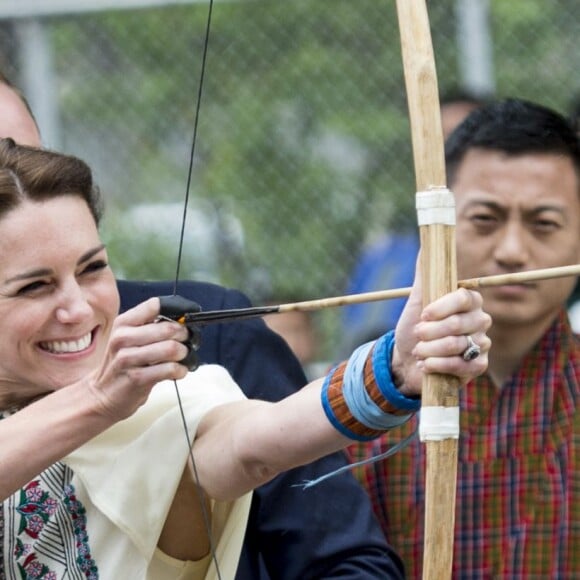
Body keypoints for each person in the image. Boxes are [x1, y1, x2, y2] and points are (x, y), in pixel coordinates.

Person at [0, 138, 491, 578]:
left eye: (92, 269)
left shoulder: (157, 401)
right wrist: (97, 398)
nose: (78, 308)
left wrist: (395, 369)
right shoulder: (107, 395)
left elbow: (255, 443)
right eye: (34, 286)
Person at [349, 98, 580, 578]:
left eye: (544, 224)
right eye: (484, 220)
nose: (513, 251)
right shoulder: (377, 400)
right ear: (437, 228)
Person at [339, 89, 488, 357]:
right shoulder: (386, 258)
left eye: (464, 139)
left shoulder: (520, 248)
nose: (450, 152)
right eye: (439, 140)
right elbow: (360, 348)